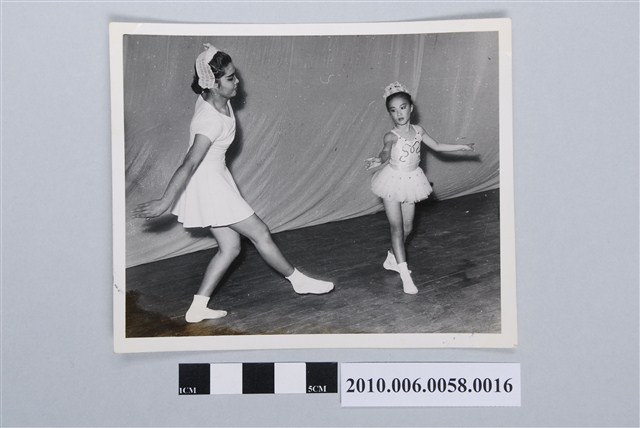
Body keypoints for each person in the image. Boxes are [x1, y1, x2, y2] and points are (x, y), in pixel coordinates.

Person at [133, 43, 333, 323]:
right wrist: (166, 201)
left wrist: (208, 58)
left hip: (216, 178)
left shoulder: (213, 97)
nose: (237, 81)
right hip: (209, 183)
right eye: (230, 78)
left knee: (231, 248)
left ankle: (198, 307)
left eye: (234, 74)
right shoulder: (209, 121)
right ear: (213, 84)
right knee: (260, 232)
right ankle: (298, 281)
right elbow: (189, 162)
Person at [365, 81, 474, 294]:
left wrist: (461, 146)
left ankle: (392, 257)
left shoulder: (418, 131)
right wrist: (379, 160)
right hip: (392, 182)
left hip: (412, 181)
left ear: (411, 108)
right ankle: (405, 277)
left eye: (402, 107)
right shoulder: (391, 135)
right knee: (396, 228)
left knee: (408, 228)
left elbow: (438, 146)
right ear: (390, 113)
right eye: (393, 110)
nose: (399, 113)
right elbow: (385, 152)